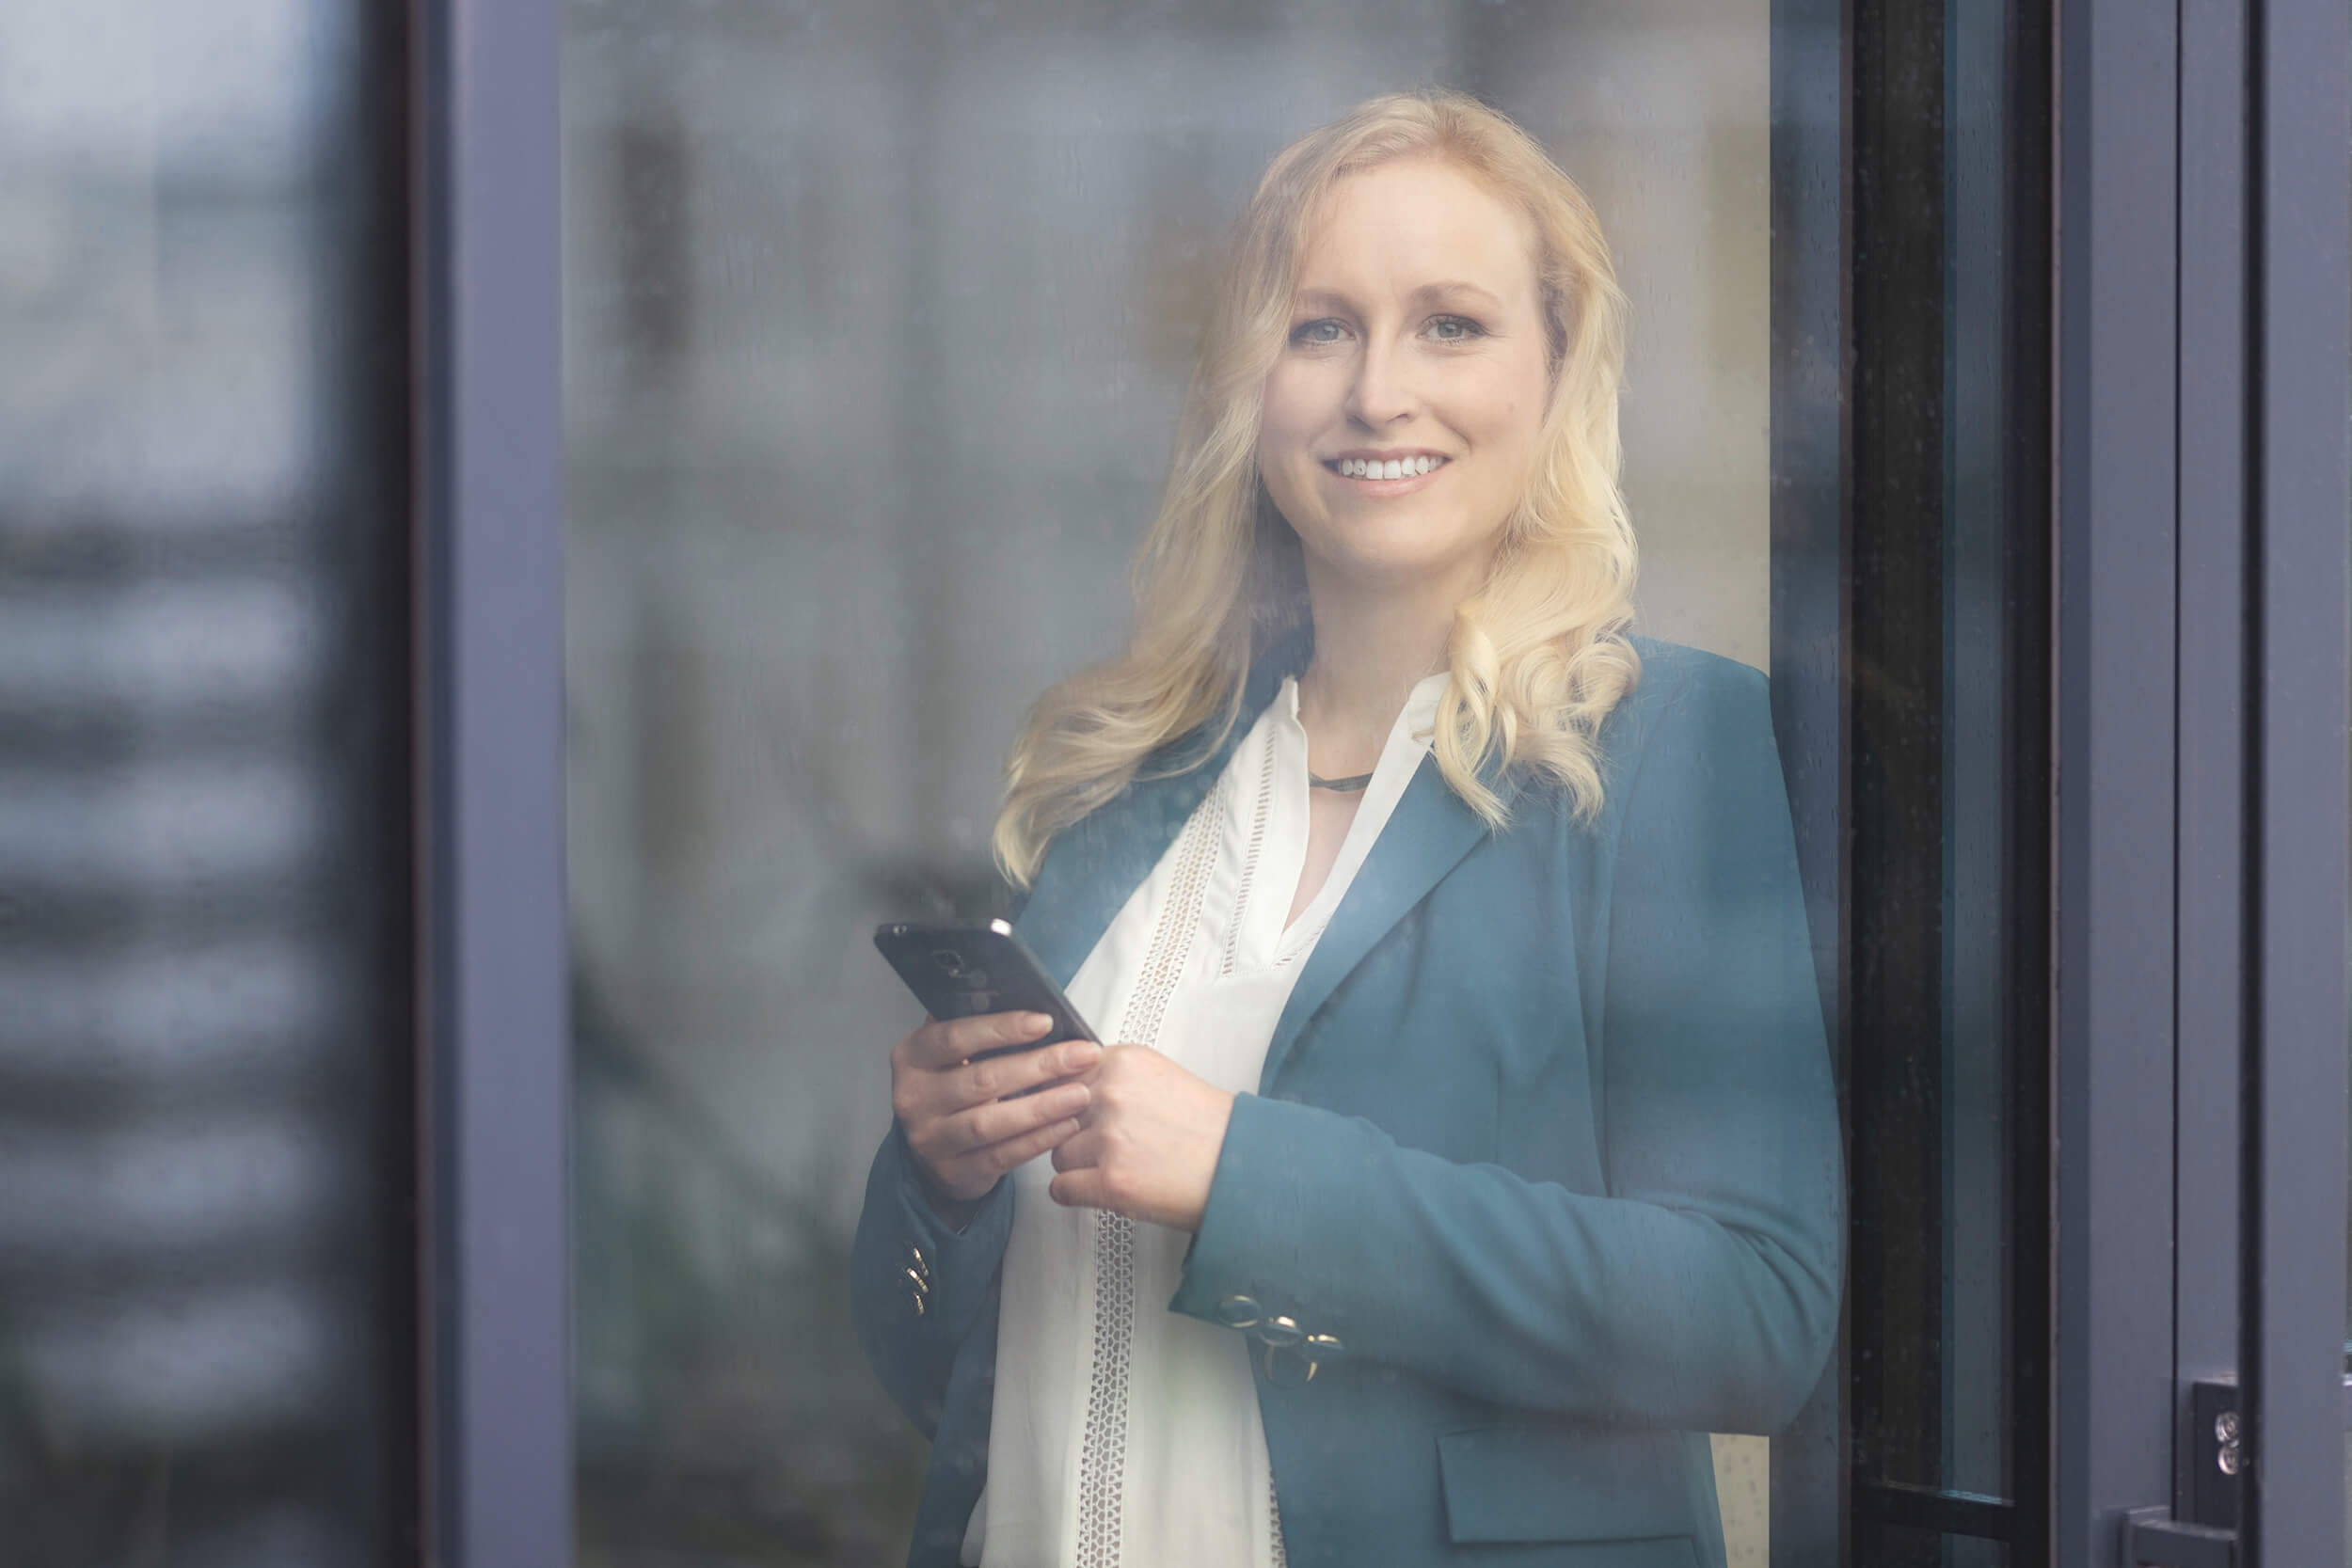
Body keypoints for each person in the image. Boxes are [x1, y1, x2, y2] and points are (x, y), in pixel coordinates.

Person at [850, 89, 1842, 1568]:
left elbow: (1756, 1317)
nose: (1380, 392)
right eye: (1320, 328)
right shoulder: (1128, 792)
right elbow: (947, 1382)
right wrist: (937, 1179)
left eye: (1452, 324)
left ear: (1560, 371)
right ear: (1252, 387)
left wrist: (1248, 1178)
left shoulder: (1660, 747)